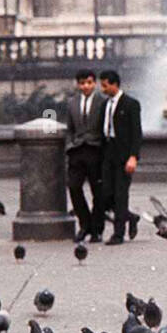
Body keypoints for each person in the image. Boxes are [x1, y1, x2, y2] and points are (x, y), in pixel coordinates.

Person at [98, 69, 141, 245]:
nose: (103, 89)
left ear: (115, 84)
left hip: (123, 155)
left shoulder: (131, 104)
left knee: (120, 195)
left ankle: (118, 234)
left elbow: (137, 132)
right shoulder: (105, 105)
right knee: (106, 194)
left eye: (105, 85)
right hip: (108, 153)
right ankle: (130, 217)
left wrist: (133, 157)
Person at [64, 68, 105, 243]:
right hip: (77, 151)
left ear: (94, 83)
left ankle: (96, 229)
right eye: (82, 83)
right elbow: (69, 128)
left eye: (89, 82)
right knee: (73, 187)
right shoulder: (72, 103)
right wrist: (69, 145)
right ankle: (84, 224)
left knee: (98, 192)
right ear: (78, 84)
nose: (85, 86)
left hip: (96, 151)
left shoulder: (103, 102)